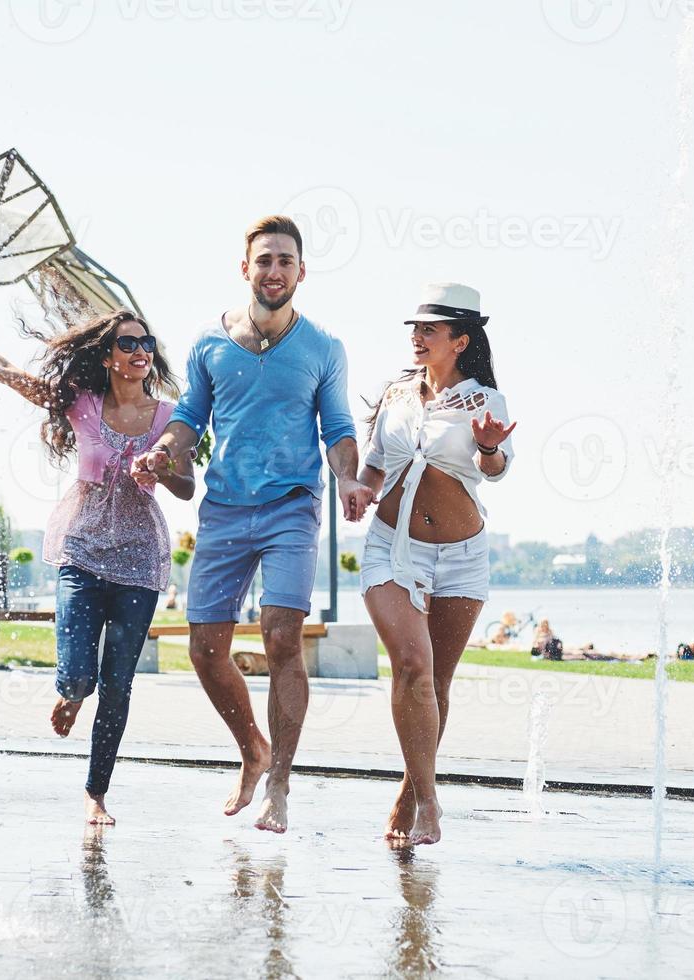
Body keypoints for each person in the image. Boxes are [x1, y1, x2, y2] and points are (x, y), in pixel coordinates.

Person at [0, 308, 191, 825]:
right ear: (107, 356)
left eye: (146, 342)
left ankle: (96, 793)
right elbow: (11, 374)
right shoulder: (81, 404)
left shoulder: (170, 417)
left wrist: (162, 470)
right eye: (127, 344)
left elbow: (187, 486)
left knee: (118, 684)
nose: (140, 351)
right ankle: (72, 693)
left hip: (139, 559)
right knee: (79, 674)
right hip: (80, 550)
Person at [132, 215, 372, 834]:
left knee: (281, 637)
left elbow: (339, 428)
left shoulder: (323, 347)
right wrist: (167, 452)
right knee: (205, 650)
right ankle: (252, 752)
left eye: (285, 261)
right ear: (246, 269)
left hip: (291, 507)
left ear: (301, 272)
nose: (274, 271)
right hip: (225, 509)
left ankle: (282, 785)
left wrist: (346, 477)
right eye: (264, 260)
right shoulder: (209, 345)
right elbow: (189, 417)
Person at [358, 281, 516, 846]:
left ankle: (408, 789)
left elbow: (493, 471)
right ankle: (430, 802)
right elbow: (375, 465)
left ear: (460, 340)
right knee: (412, 667)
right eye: (415, 328)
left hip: (463, 556)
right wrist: (359, 490)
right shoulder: (397, 396)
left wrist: (491, 447)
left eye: (430, 329)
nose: (417, 337)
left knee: (436, 682)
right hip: (391, 549)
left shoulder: (485, 403)